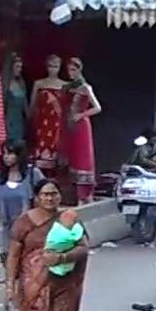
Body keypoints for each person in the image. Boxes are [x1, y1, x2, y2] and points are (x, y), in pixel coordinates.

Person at [8, 178, 89, 311]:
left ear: (59, 196)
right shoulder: (25, 221)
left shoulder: (69, 218)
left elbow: (83, 247)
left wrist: (61, 258)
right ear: (37, 197)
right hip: (33, 284)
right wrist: (10, 284)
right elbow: (14, 254)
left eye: (53, 194)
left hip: (64, 282)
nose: (49, 198)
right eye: (45, 194)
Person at [0, 141, 46, 273]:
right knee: (10, 267)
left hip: (29, 230)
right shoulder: (0, 178)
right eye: (4, 153)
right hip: (9, 231)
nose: (6, 157)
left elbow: (45, 194)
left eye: (10, 153)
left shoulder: (32, 174)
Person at [63, 57, 102, 203]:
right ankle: (74, 195)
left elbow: (97, 108)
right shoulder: (68, 87)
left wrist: (81, 115)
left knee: (83, 158)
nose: (71, 73)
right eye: (68, 70)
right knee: (73, 157)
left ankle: (84, 194)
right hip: (70, 126)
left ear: (79, 70)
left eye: (73, 70)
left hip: (82, 126)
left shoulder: (85, 87)